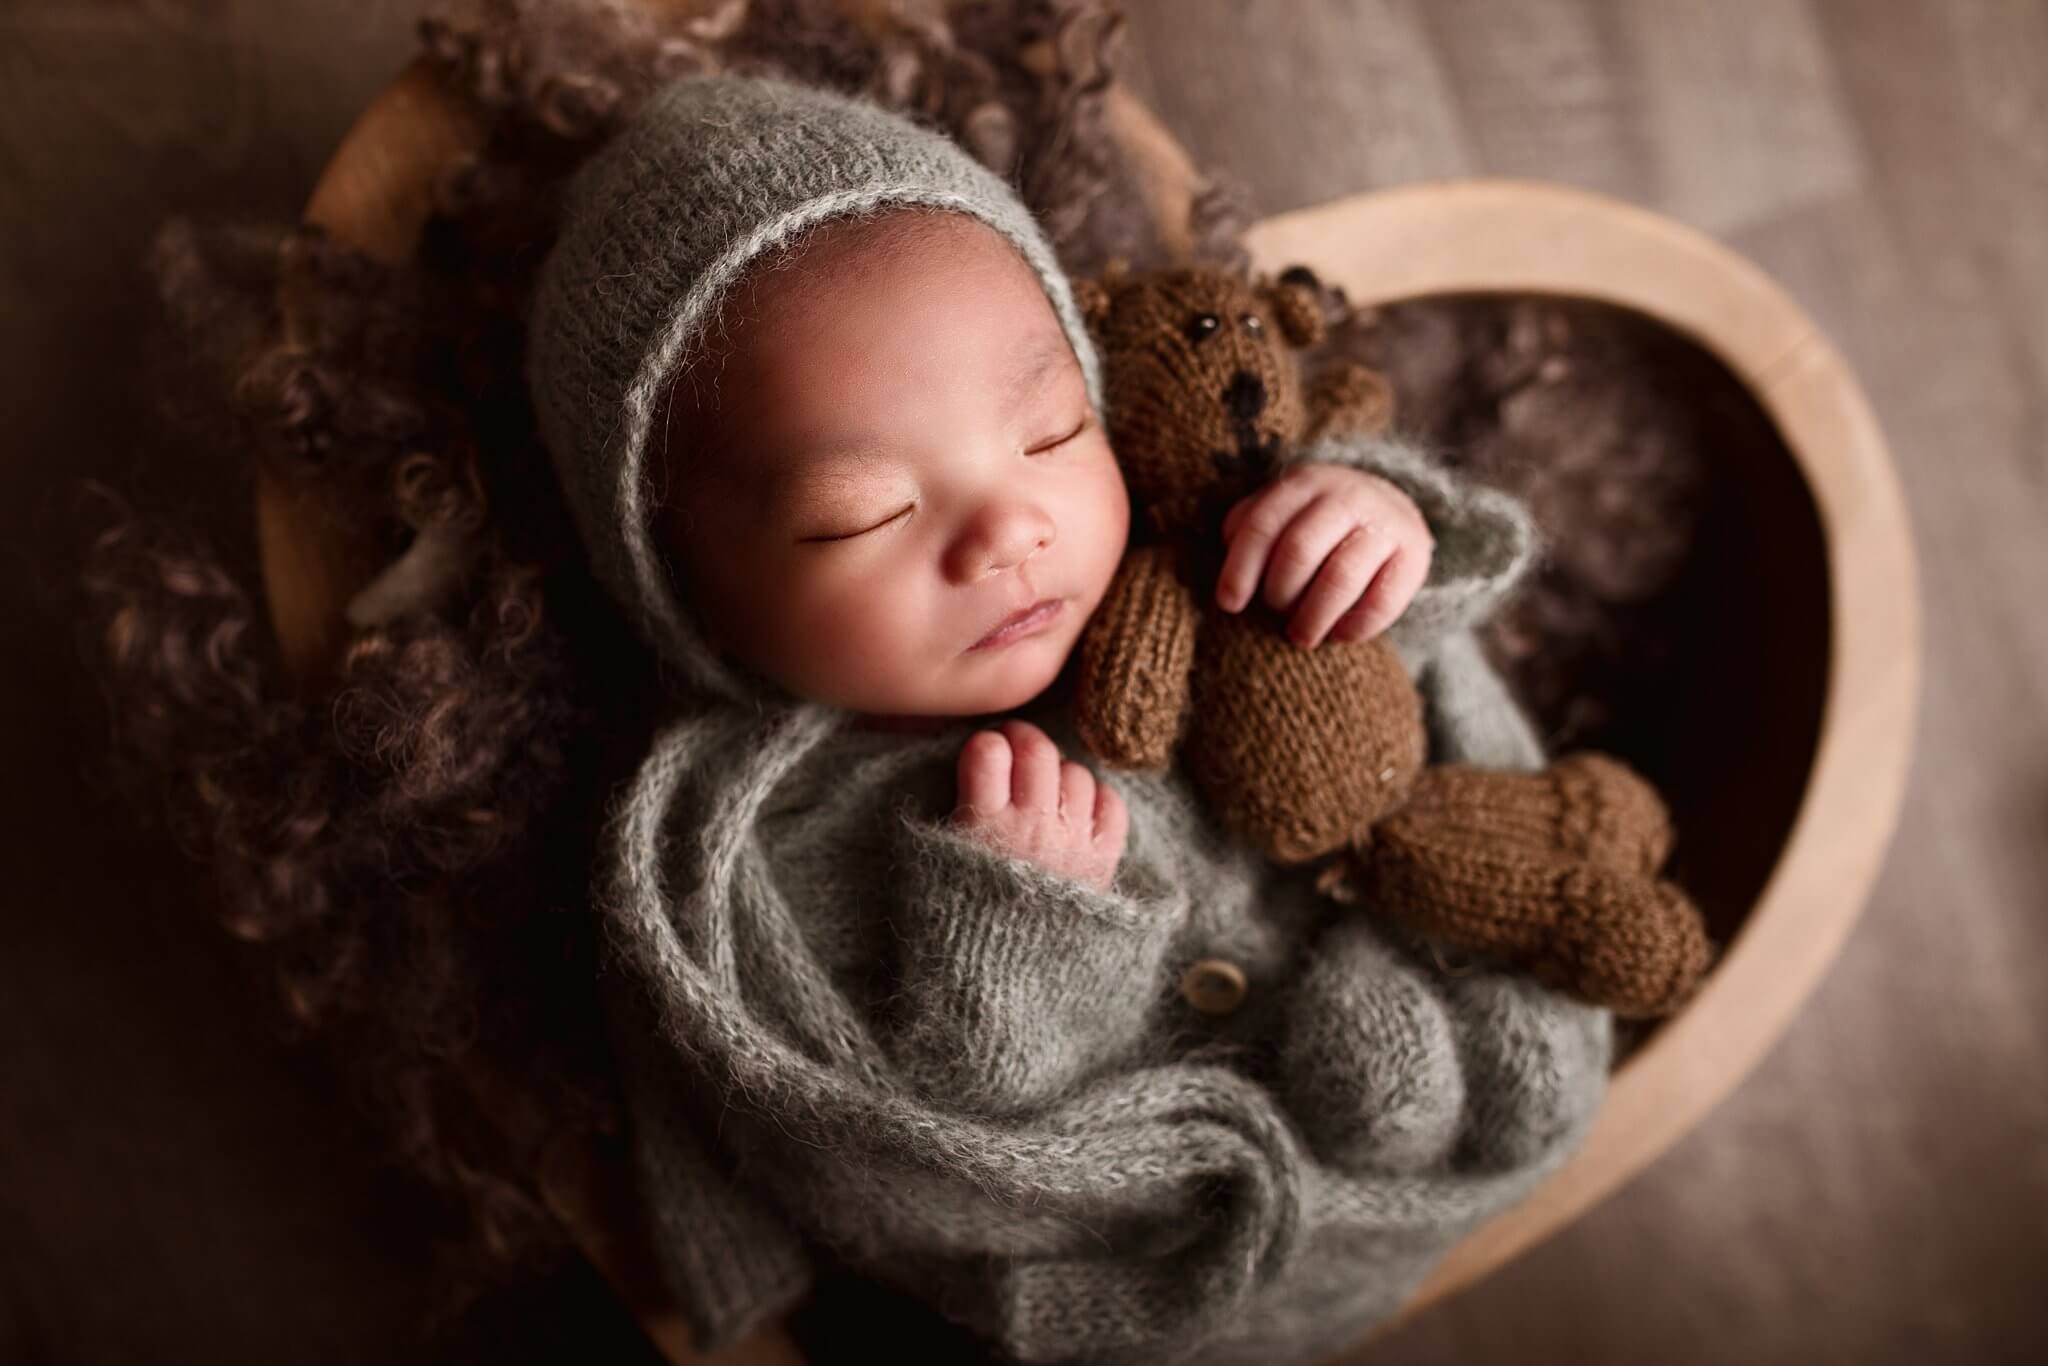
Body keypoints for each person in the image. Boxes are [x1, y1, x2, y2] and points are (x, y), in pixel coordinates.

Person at [527, 73, 1609, 1366]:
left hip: (1413, 996)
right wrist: (1017, 940)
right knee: (1359, 1085)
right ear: (689, 602)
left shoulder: (1190, 546)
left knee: (1505, 1004)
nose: (1010, 530)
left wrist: (1371, 535)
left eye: (1049, 435)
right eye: (862, 515)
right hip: (1181, 1253)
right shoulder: (773, 840)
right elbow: (879, 1162)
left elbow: (1391, 704)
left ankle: (1435, 1082)